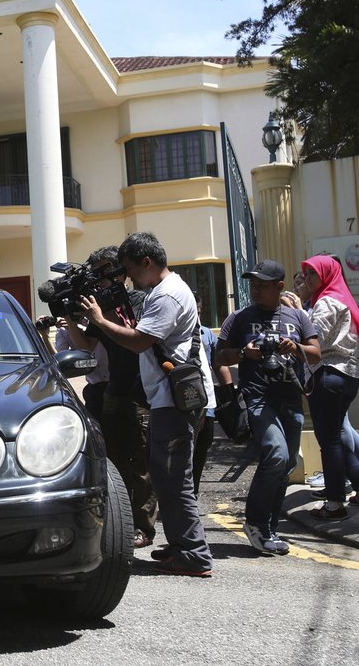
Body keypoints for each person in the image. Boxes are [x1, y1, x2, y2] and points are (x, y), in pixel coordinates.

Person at [80, 232, 214, 577]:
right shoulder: (166, 291)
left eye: (128, 269)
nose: (127, 277)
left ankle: (195, 554)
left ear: (146, 263)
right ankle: (182, 545)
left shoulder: (166, 295)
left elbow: (139, 342)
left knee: (174, 479)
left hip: (173, 402)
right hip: (166, 399)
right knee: (167, 478)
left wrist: (99, 321)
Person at [53, 245, 158, 550]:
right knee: (112, 461)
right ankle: (118, 522)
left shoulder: (139, 299)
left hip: (140, 392)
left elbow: (137, 338)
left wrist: (102, 313)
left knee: (139, 463)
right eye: (94, 274)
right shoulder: (98, 306)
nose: (98, 281)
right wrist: (69, 316)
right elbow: (85, 347)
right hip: (113, 391)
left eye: (102, 272)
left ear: (119, 273)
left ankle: (143, 527)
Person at [214, 260, 320, 555]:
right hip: (258, 397)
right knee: (276, 453)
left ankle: (269, 528)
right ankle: (256, 523)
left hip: (290, 397)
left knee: (286, 464)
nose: (256, 289)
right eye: (253, 285)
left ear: (279, 287)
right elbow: (218, 357)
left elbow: (315, 354)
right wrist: (242, 353)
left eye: (262, 285)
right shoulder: (239, 318)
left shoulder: (298, 316)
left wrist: (294, 347)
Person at [300, 255, 359, 519]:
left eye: (313, 274)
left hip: (329, 375)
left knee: (329, 441)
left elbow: (314, 339)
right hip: (349, 374)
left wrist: (297, 315)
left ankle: (334, 504)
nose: (307, 279)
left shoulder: (325, 303)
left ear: (327, 275)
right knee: (335, 437)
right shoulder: (341, 297)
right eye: (306, 273)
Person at [193, 290, 233, 498]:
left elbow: (219, 364)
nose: (196, 316)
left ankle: (194, 491)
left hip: (207, 403)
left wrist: (230, 392)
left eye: (199, 312)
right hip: (183, 401)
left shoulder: (207, 334)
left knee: (202, 446)